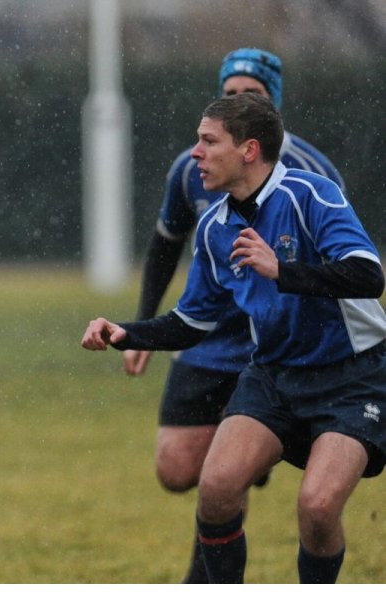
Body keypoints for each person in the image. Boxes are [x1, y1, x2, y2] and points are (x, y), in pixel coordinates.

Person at [82, 92, 386, 584]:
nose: (195, 153)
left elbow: (369, 275)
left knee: (318, 506)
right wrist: (127, 333)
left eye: (208, 141)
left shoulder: (311, 194)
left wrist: (281, 270)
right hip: (273, 376)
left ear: (248, 150)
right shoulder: (214, 227)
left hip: (352, 378)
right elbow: (192, 322)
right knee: (217, 487)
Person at [122, 48, 346, 584]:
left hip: (273, 345)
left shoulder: (313, 174)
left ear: (275, 104)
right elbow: (164, 246)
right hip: (206, 334)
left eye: (254, 95)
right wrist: (141, 327)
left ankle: (203, 580)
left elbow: (346, 270)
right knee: (176, 469)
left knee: (228, 472)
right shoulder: (192, 168)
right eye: (231, 94)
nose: (242, 103)